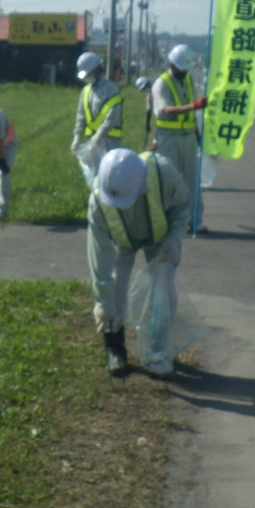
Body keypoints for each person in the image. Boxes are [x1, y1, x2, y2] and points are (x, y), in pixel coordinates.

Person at [87, 147, 192, 378]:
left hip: (160, 238)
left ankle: (158, 351)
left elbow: (182, 205)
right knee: (113, 291)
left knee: (162, 294)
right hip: (122, 240)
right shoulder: (99, 201)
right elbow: (100, 255)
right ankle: (115, 347)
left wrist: (174, 239)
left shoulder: (164, 173)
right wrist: (103, 300)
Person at [152, 44, 207, 232]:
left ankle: (195, 222)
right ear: (173, 65)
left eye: (186, 69)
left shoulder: (189, 80)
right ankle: (169, 223)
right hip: (168, 139)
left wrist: (197, 133)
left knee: (193, 181)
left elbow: (191, 114)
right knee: (170, 182)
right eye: (182, 69)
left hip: (188, 137)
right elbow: (166, 110)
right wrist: (194, 106)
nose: (184, 73)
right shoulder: (161, 84)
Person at [71, 51, 123, 184]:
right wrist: (77, 137)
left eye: (88, 74)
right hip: (92, 143)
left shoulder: (111, 89)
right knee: (95, 178)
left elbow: (113, 117)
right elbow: (81, 116)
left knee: (111, 177)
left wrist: (98, 136)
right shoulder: (86, 91)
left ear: (96, 70)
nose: (87, 77)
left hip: (110, 142)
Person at [134, 75, 156, 152]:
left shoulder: (157, 86)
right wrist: (147, 123)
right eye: (144, 89)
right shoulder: (149, 95)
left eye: (146, 87)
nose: (146, 89)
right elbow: (149, 110)